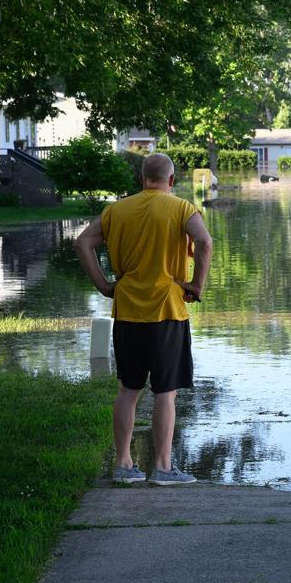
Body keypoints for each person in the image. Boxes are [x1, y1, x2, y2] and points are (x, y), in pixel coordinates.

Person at [74, 153, 213, 485]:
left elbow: (83, 242)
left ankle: (123, 465)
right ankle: (163, 468)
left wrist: (104, 285)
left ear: (141, 180)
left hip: (128, 311)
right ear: (171, 180)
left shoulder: (116, 210)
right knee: (165, 393)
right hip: (167, 310)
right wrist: (196, 285)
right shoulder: (180, 208)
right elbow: (205, 242)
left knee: (128, 389)